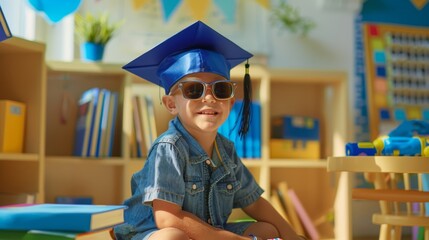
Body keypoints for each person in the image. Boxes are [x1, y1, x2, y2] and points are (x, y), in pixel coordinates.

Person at [114, 21, 305, 240]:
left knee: (267, 230)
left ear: (231, 103)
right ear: (171, 104)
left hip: (204, 232)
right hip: (154, 232)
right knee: (172, 237)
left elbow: (254, 202)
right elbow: (167, 219)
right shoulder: (169, 147)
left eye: (220, 89)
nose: (209, 98)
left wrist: (293, 236)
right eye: (193, 89)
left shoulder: (226, 150)